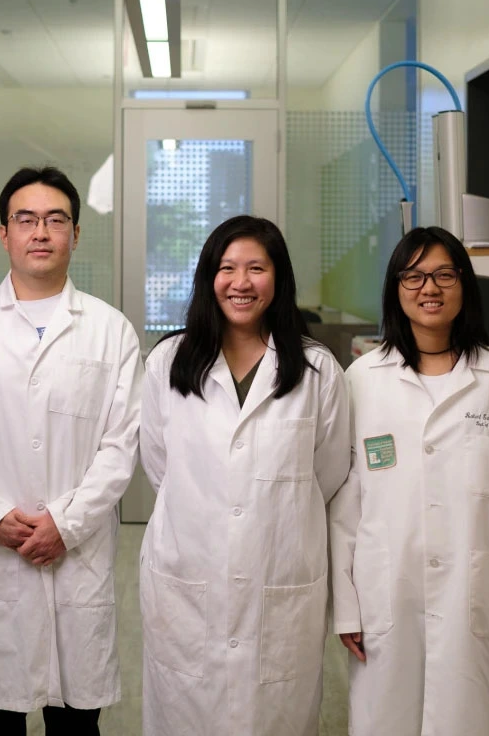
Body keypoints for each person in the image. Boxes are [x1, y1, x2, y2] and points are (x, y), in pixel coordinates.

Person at [0, 166, 143, 735]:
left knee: (77, 723)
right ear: (4, 234)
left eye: (55, 219)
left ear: (75, 233)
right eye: (26, 219)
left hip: (76, 554)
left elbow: (121, 444)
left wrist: (65, 524)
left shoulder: (109, 329)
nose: (40, 232)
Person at [329, 227, 489, 736]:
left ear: (464, 285)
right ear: (395, 288)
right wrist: (346, 606)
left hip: (479, 605)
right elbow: (343, 507)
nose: (428, 288)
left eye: (443, 274)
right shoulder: (360, 381)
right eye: (413, 276)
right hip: (386, 599)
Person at [139, 215, 350, 736]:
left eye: (256, 267)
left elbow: (327, 475)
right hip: (188, 581)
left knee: (274, 716)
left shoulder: (318, 370)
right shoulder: (169, 360)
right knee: (187, 712)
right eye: (227, 267)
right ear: (208, 277)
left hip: (278, 581)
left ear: (278, 279)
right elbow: (159, 464)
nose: (241, 282)